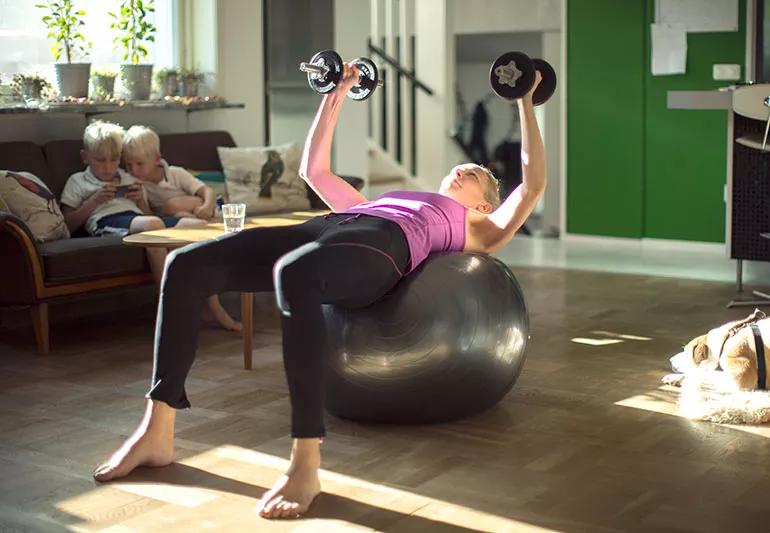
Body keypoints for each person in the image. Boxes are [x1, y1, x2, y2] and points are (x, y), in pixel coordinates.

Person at [92, 63, 546, 520]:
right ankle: (158, 429)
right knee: (186, 264)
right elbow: (314, 170)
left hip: (381, 247)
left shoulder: (478, 228)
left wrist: (525, 100)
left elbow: (531, 185)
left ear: (486, 204)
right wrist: (338, 93)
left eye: (479, 174)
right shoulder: (393, 198)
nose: (467, 166)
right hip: (333, 225)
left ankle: (305, 461)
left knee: (296, 275)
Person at [121, 125, 241, 332]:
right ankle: (210, 308)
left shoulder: (175, 173)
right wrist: (141, 200)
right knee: (178, 217)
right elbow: (151, 216)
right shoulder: (139, 185)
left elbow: (207, 192)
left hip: (212, 211)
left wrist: (205, 207)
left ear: (157, 159)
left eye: (139, 164)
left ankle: (211, 308)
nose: (133, 170)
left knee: (173, 207)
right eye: (129, 164)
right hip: (184, 221)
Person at [60, 121, 204, 285]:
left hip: (139, 219)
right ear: (85, 156)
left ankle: (205, 303)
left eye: (114, 160)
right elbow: (66, 226)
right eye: (100, 160)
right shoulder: (78, 181)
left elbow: (148, 214)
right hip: (106, 220)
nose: (108, 167)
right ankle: (167, 302)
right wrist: (94, 202)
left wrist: (140, 200)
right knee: (153, 223)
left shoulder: (129, 178)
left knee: (198, 226)